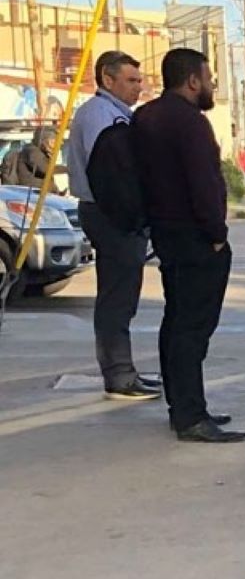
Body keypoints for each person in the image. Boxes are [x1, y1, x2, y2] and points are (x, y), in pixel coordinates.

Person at [136, 48, 245, 444]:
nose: (213, 84)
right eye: (209, 77)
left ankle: (182, 407)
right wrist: (217, 234)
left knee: (177, 322)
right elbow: (202, 184)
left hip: (166, 233)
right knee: (192, 329)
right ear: (192, 81)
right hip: (196, 239)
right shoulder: (190, 123)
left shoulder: (145, 117)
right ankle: (190, 417)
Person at [66, 51, 163, 401]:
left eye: (140, 80)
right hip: (108, 213)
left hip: (114, 213)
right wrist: (133, 213)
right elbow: (110, 174)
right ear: (108, 80)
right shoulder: (99, 115)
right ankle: (119, 374)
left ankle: (124, 370)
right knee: (117, 298)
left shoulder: (117, 115)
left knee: (124, 294)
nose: (140, 87)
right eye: (132, 80)